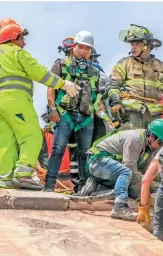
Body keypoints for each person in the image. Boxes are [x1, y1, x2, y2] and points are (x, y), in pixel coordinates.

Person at [0, 23, 79, 190]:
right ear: (14, 38)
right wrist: (64, 84)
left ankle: (5, 179)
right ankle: (23, 175)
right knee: (33, 135)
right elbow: (39, 72)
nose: (25, 42)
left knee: (6, 141)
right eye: (22, 38)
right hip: (14, 100)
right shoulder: (16, 52)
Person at [44, 31, 102, 193]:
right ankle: (49, 185)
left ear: (91, 51)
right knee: (58, 149)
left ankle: (83, 189)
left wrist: (101, 113)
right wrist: (52, 109)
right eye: (80, 47)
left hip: (86, 117)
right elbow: (51, 87)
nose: (83, 51)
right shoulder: (61, 64)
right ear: (74, 46)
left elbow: (97, 97)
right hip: (64, 114)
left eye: (87, 48)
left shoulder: (95, 71)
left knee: (85, 154)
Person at [84, 119, 163, 220]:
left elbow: (146, 175)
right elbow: (130, 168)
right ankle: (119, 208)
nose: (161, 147)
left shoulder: (149, 147)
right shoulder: (135, 139)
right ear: (152, 137)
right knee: (126, 172)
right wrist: (145, 195)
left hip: (108, 167)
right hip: (97, 162)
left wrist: (156, 188)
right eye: (161, 143)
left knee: (133, 189)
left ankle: (99, 190)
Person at [107, 24, 163, 130]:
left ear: (147, 45)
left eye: (137, 43)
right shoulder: (125, 63)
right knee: (131, 144)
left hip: (154, 117)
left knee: (154, 145)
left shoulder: (162, 67)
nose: (133, 47)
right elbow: (113, 84)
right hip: (130, 115)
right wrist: (115, 102)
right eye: (132, 44)